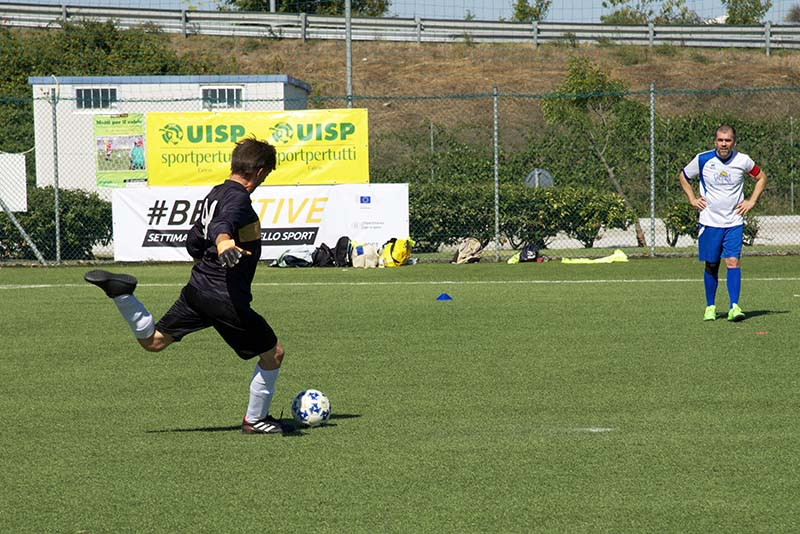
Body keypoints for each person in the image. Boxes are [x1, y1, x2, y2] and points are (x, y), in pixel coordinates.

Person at [85, 137, 288, 434]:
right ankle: (255, 420)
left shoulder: (215, 194)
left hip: (198, 290)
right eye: (266, 175)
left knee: (154, 341)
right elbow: (222, 225)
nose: (263, 180)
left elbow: (194, 241)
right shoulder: (238, 198)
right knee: (273, 354)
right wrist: (224, 242)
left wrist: (215, 247)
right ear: (259, 172)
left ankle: (123, 296)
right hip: (224, 297)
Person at [678, 124, 767, 322]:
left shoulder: (743, 160)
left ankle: (734, 307)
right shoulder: (703, 159)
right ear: (715, 142)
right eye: (720, 140)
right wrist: (692, 199)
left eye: (727, 140)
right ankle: (710, 307)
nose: (724, 144)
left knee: (732, 261)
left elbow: (761, 177)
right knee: (712, 264)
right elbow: (683, 176)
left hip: (734, 221)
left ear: (734, 142)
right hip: (709, 221)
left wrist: (751, 201)